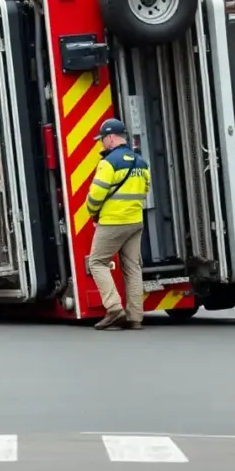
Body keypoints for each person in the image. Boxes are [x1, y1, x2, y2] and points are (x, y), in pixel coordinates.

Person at [85, 118, 152, 330]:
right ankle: (135, 317)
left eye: (103, 139)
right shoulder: (141, 162)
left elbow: (96, 195)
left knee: (97, 262)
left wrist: (93, 212)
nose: (102, 143)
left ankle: (114, 308)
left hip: (113, 221)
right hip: (135, 221)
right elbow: (146, 190)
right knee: (133, 267)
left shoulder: (108, 163)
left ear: (111, 137)